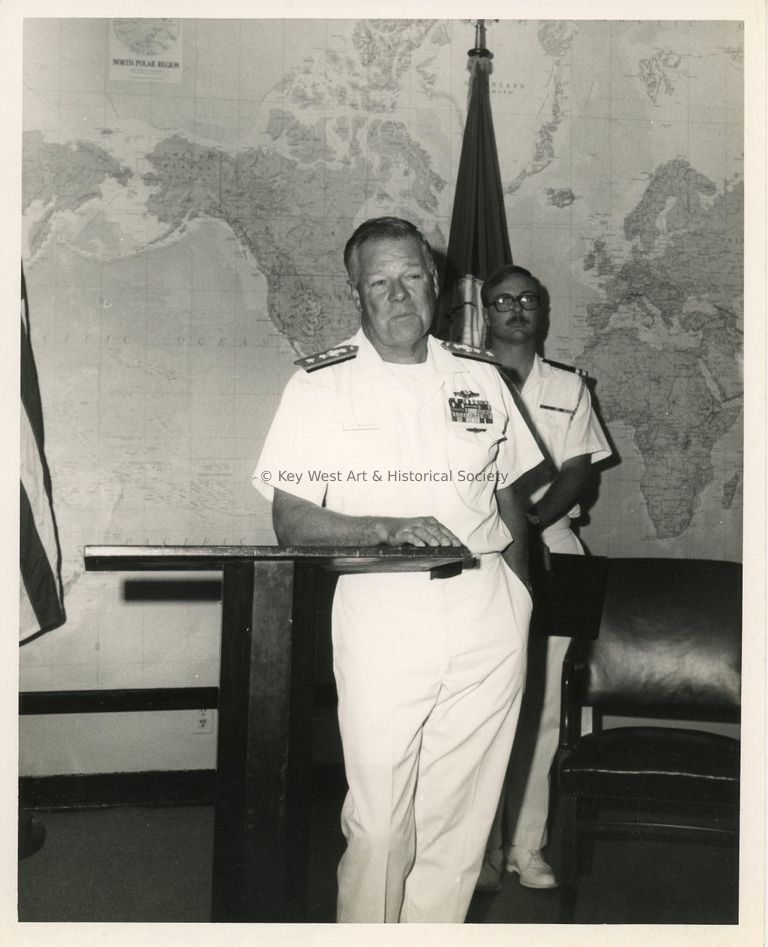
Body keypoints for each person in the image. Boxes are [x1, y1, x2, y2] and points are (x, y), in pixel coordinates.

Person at [253, 218, 544, 923]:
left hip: (486, 611)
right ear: (355, 292)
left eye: (411, 275)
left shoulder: (480, 376)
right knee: (382, 821)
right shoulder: (319, 385)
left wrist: (521, 603)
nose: (398, 294)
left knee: (458, 823)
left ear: (435, 282)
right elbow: (291, 518)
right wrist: (385, 528)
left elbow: (509, 504)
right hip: (383, 609)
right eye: (378, 281)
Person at [476, 263, 612, 892]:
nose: (517, 309)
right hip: (480, 550)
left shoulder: (570, 387)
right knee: (478, 703)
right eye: (503, 301)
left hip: (555, 545)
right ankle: (478, 845)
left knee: (546, 704)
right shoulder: (463, 383)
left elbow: (578, 473)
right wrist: (505, 531)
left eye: (528, 299)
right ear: (486, 311)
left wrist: (526, 527)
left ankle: (526, 847)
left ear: (544, 312)